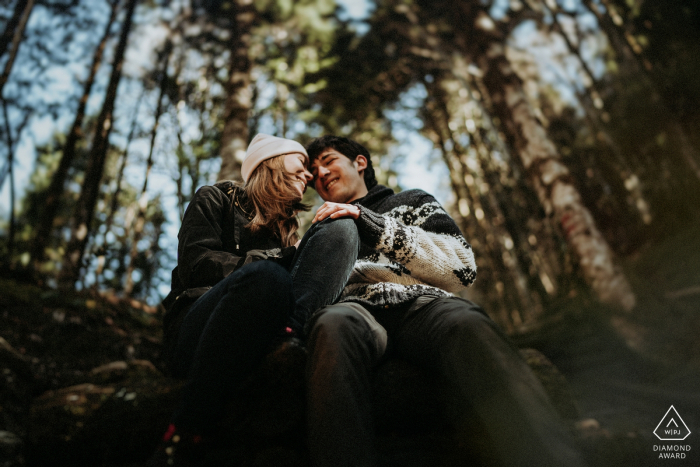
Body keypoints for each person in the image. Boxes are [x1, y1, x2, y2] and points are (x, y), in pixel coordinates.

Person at [303, 135, 587, 467]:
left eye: (328, 160)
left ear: (360, 162)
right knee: (330, 326)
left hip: (423, 305)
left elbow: (461, 268)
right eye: (312, 170)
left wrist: (370, 224)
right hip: (355, 312)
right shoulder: (318, 227)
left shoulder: (412, 200)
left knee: (468, 323)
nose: (320, 173)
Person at [149, 134, 360, 467]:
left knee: (342, 227)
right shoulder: (216, 197)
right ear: (271, 161)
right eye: (303, 165)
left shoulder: (288, 231)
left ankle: (288, 338)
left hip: (268, 329)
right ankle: (184, 433)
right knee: (267, 278)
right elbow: (196, 264)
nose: (310, 177)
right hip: (199, 327)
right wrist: (274, 260)